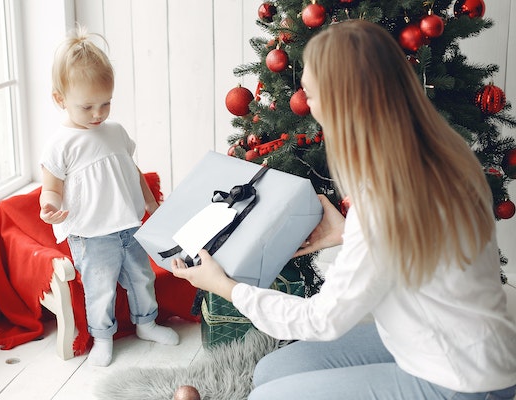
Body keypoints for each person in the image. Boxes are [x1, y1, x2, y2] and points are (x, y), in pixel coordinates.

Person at [172, 20, 516, 399]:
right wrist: (346, 233)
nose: (304, 100)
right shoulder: (432, 148)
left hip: (463, 379)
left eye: (311, 92)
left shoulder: (388, 198)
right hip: (440, 339)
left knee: (265, 396)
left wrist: (225, 287)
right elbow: (416, 246)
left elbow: (322, 319)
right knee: (271, 371)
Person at [39, 26, 178, 367]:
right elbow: (52, 186)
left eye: (106, 103)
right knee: (100, 289)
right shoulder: (60, 143)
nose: (98, 114)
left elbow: (132, 170)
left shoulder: (114, 132)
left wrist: (151, 204)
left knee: (141, 278)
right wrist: (50, 205)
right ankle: (103, 336)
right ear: (61, 100)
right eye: (87, 107)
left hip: (129, 225)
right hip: (91, 233)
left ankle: (147, 323)